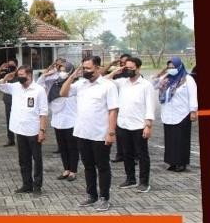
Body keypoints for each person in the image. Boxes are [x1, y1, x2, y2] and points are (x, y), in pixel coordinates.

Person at [61, 56, 118, 211]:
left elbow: (113, 110)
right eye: (83, 68)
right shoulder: (81, 84)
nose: (85, 71)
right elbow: (63, 93)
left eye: (88, 68)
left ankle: (104, 198)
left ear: (98, 68)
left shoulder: (108, 86)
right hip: (82, 133)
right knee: (88, 167)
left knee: (102, 167)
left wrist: (111, 132)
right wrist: (72, 76)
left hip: (100, 134)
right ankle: (91, 195)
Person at [0, 65, 49, 194]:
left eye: (22, 75)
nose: (19, 77)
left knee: (37, 159)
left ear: (29, 75)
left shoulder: (39, 90)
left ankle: (37, 185)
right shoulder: (15, 87)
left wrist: (42, 130)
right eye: (18, 75)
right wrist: (6, 78)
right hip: (19, 129)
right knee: (23, 159)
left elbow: (43, 112)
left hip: (34, 130)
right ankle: (27, 184)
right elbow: (2, 86)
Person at [107, 57, 155, 192]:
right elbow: (105, 81)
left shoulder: (146, 85)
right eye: (126, 68)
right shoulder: (122, 82)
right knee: (126, 154)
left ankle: (144, 182)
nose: (128, 70)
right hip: (123, 124)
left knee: (142, 155)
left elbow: (150, 106)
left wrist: (148, 125)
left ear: (138, 68)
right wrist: (116, 71)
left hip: (139, 125)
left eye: (131, 68)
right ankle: (130, 179)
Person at [154, 56, 199, 171]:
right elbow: (153, 84)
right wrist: (162, 72)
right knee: (170, 139)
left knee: (181, 139)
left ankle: (181, 163)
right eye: (169, 67)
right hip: (168, 114)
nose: (171, 69)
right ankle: (172, 162)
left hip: (182, 113)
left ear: (179, 67)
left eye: (173, 67)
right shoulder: (166, 79)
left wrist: (193, 111)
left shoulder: (187, 79)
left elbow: (193, 96)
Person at [42, 59, 78, 181]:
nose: (61, 73)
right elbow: (41, 82)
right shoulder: (54, 85)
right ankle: (66, 169)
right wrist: (47, 73)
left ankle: (73, 171)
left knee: (72, 148)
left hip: (71, 121)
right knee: (62, 148)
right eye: (60, 70)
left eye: (64, 71)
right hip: (58, 121)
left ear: (70, 72)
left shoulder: (75, 86)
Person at [106, 53, 132, 162]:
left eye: (125, 62)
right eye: (121, 62)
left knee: (130, 133)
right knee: (119, 132)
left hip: (129, 107)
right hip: (117, 105)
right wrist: (114, 69)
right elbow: (105, 79)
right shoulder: (117, 74)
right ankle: (120, 154)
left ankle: (133, 155)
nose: (123, 64)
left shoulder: (133, 75)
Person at [0, 56, 19, 146]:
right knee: (9, 120)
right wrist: (1, 68)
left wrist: (16, 71)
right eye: (9, 65)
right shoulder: (5, 73)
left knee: (19, 119)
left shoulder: (19, 73)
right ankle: (11, 139)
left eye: (12, 65)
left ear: (16, 65)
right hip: (8, 100)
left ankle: (21, 138)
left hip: (18, 100)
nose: (10, 67)